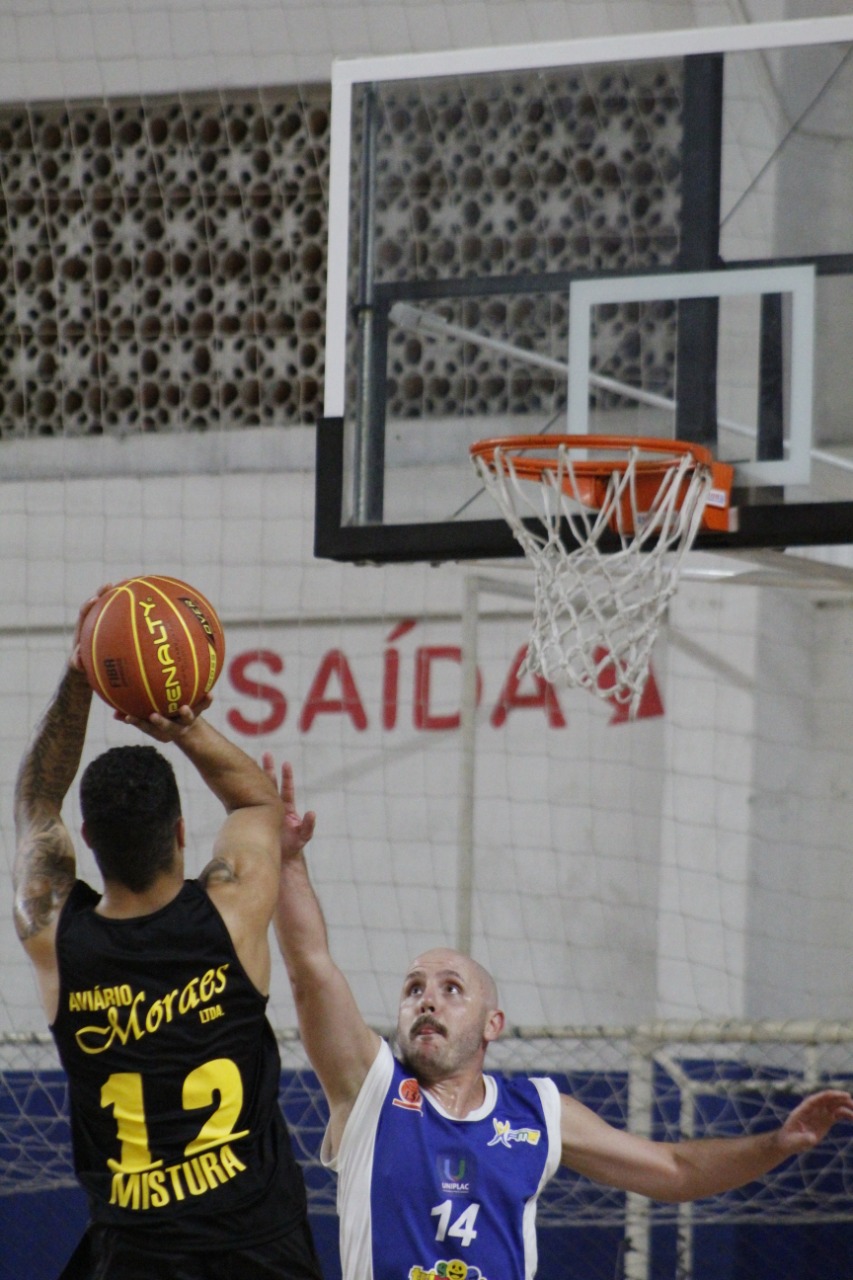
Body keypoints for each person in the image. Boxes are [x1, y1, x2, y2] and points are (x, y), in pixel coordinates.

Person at [268, 759, 853, 1280]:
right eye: (413, 988)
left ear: (492, 1024)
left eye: (451, 989)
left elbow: (673, 1169)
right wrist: (290, 862)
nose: (427, 1000)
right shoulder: (370, 1090)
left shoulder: (538, 1112)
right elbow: (310, 970)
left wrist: (777, 1143)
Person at [12, 589, 323, 1280]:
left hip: (139, 1255)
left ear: (87, 841)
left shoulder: (55, 939)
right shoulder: (232, 913)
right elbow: (256, 799)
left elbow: (35, 801)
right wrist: (179, 723)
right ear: (183, 835)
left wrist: (80, 674)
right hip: (260, 1251)